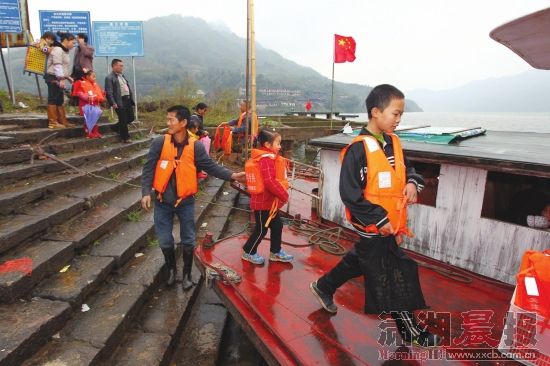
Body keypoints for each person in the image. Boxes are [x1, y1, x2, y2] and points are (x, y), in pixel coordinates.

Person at [309, 84, 441, 347]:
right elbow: (350, 193)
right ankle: (411, 332)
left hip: (392, 225)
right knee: (394, 274)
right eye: (395, 113)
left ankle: (324, 286)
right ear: (376, 112)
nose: (399, 119)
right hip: (373, 225)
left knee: (360, 260)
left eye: (401, 114)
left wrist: (413, 183)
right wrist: (378, 220)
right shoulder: (358, 150)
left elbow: (408, 169)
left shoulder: (393, 142)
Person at [141, 105, 246, 289]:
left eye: (171, 120)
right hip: (162, 201)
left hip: (185, 202)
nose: (168, 123)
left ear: (183, 123)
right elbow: (148, 168)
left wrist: (231, 175)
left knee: (188, 238)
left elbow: (209, 165)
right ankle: (172, 270)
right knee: (165, 239)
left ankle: (187, 274)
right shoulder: (159, 142)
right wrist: (145, 192)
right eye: (167, 119)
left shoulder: (195, 145)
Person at [242, 129, 293, 265]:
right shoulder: (265, 159)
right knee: (261, 229)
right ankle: (248, 252)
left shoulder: (267, 157)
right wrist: (284, 195)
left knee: (277, 226)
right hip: (262, 203)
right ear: (268, 144)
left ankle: (275, 252)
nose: (280, 146)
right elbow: (269, 181)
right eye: (278, 143)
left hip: (269, 203)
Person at [45, 32, 76, 129]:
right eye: (72, 42)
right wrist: (61, 79)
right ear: (66, 41)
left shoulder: (64, 51)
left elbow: (63, 67)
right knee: (53, 98)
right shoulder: (58, 49)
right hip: (53, 77)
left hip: (58, 77)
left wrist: (67, 77)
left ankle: (62, 121)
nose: (73, 45)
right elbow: (57, 65)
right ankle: (53, 122)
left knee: (59, 99)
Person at [105, 59, 135, 143]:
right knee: (123, 119)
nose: (122, 67)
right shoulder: (109, 78)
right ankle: (125, 137)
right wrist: (113, 103)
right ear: (114, 66)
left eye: (122, 65)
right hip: (119, 101)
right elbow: (109, 92)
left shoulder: (122, 76)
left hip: (127, 99)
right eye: (120, 65)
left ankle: (115, 127)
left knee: (131, 118)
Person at [72, 70, 105, 138]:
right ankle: (89, 132)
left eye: (95, 77)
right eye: (93, 76)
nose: (94, 78)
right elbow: (79, 93)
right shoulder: (81, 83)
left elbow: (99, 94)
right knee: (88, 120)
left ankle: (95, 132)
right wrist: (86, 97)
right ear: (87, 76)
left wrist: (103, 93)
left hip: (95, 105)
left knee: (95, 119)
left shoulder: (95, 84)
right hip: (86, 106)